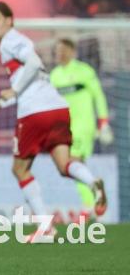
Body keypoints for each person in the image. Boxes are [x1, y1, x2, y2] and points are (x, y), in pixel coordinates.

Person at [0, 2, 106, 240]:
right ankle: (93, 182)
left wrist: (14, 91)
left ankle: (45, 227)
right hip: (58, 109)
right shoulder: (14, 44)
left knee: (19, 169)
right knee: (64, 164)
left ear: (9, 20)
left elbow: (30, 63)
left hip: (35, 113)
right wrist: (1, 103)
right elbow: (34, 76)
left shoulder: (11, 40)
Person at [49, 38, 113, 216]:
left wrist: (104, 122)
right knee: (70, 167)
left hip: (83, 125)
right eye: (57, 50)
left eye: (63, 50)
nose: (59, 53)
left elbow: (98, 96)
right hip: (65, 128)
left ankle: (89, 202)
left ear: (72, 52)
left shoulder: (84, 71)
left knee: (73, 162)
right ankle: (93, 201)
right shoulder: (55, 75)